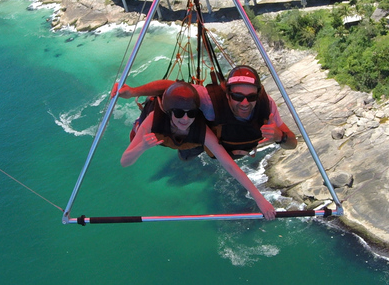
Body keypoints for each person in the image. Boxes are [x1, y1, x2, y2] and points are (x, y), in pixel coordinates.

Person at [121, 82, 276, 220]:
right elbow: (125, 161)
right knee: (182, 151)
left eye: (191, 113)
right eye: (179, 113)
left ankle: (184, 150)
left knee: (187, 156)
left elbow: (229, 166)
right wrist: (142, 146)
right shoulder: (153, 120)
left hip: (189, 142)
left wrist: (259, 199)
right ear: (169, 112)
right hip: (166, 136)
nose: (186, 119)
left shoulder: (201, 129)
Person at [113, 65, 298, 158]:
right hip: (207, 141)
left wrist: (279, 136)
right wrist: (133, 92)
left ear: (258, 94)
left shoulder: (266, 107)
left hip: (226, 148)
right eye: (237, 96)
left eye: (251, 97)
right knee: (183, 146)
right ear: (227, 93)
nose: (244, 102)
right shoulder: (210, 99)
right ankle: (140, 124)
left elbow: (292, 142)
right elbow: (170, 86)